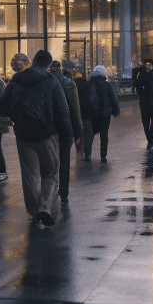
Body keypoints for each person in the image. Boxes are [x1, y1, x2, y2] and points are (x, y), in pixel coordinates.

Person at [0, 50, 73, 228]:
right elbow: (63, 112)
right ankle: (45, 208)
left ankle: (33, 211)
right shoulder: (51, 81)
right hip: (47, 134)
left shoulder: (17, 79)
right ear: (48, 64)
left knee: (29, 175)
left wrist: (17, 119)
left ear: (33, 61)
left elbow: (4, 105)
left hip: (24, 134)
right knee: (50, 173)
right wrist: (68, 134)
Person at [49, 60, 83, 201]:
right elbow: (75, 109)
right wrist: (78, 131)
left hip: (49, 126)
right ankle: (64, 192)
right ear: (61, 68)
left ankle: (50, 189)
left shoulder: (46, 81)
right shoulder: (68, 83)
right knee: (64, 159)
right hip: (65, 126)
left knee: (49, 159)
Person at [83, 65, 121, 161]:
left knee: (90, 134)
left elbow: (85, 99)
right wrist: (116, 110)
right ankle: (103, 156)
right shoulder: (107, 84)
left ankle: (87, 154)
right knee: (104, 135)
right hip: (105, 113)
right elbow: (113, 98)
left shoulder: (89, 84)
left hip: (92, 113)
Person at [74, 68, 93, 158]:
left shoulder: (72, 85)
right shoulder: (88, 84)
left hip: (76, 112)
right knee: (87, 132)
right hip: (87, 112)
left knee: (77, 131)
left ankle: (79, 148)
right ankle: (87, 153)